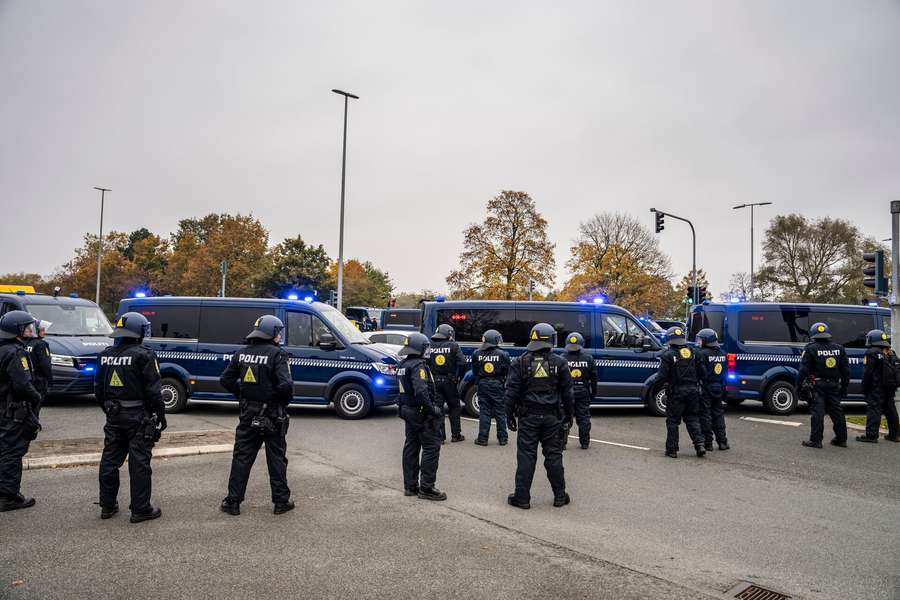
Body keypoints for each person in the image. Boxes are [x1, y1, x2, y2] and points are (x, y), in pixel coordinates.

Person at [220, 315, 295, 516]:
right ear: (271, 333)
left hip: (247, 414)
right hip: (272, 415)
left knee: (242, 457)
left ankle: (233, 502)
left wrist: (242, 395)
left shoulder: (242, 353)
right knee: (276, 458)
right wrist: (278, 401)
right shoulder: (278, 355)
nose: (280, 336)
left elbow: (225, 379)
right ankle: (281, 502)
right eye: (278, 332)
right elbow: (286, 385)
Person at [96, 312, 166, 523]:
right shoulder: (145, 355)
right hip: (138, 417)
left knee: (109, 460)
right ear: (140, 332)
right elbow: (154, 391)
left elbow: (98, 389)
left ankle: (107, 506)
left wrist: (109, 410)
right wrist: (160, 415)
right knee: (139, 464)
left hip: (114, 416)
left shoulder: (105, 354)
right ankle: (140, 509)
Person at [505, 323, 574, 509]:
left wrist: (508, 415)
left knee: (526, 456)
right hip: (552, 418)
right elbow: (568, 393)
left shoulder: (520, 362)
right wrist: (569, 416)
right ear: (551, 339)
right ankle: (560, 496)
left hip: (528, 417)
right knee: (553, 455)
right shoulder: (560, 363)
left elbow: (511, 392)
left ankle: (522, 498)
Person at [0, 311, 42, 512]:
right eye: (27, 327)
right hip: (12, 411)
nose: (29, 330)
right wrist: (37, 398)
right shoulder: (16, 353)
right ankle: (9, 496)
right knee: (12, 452)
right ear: (17, 329)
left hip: (3, 408)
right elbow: (23, 385)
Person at [397, 332, 446, 500]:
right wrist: (433, 410)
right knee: (431, 448)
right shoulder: (419, 365)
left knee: (411, 447)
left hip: (408, 411)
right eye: (426, 347)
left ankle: (410, 486)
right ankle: (427, 488)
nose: (429, 350)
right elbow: (421, 390)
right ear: (419, 349)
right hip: (421, 413)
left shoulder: (403, 364)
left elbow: (402, 391)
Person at [797, 322, 849, 449]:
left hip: (818, 385)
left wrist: (798, 386)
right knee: (837, 412)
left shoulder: (810, 348)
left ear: (813, 335)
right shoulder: (839, 348)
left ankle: (816, 440)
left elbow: (803, 370)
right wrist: (844, 387)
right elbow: (846, 370)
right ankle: (841, 439)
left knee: (818, 413)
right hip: (834, 384)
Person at [657, 326, 706, 458]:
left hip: (676, 392)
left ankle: (672, 450)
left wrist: (655, 390)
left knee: (673, 421)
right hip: (692, 391)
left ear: (670, 339)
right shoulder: (694, 352)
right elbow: (703, 373)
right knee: (692, 418)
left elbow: (661, 377)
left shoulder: (668, 355)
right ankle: (700, 444)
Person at [856, 330, 899, 444]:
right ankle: (895, 435)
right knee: (890, 410)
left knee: (874, 409)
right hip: (890, 387)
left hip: (876, 387)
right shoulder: (890, 352)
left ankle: (871, 435)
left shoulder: (872, 352)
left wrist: (864, 387)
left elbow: (868, 372)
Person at [428, 324, 467, 443]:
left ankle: (440, 437)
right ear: (448, 334)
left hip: (435, 381)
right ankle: (456, 435)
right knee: (454, 407)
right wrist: (458, 376)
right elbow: (463, 363)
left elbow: (424, 363)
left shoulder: (430, 346)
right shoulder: (453, 345)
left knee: (438, 408)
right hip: (450, 381)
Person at [472, 329, 510, 446]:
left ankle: (482, 439)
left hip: (483, 384)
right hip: (497, 384)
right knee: (500, 412)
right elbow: (507, 371)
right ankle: (503, 439)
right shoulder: (503, 354)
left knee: (484, 412)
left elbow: (475, 371)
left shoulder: (476, 353)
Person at [695, 328, 729, 451]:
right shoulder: (722, 353)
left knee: (705, 415)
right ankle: (722, 442)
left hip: (705, 387)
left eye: (700, 339)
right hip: (718, 386)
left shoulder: (701, 354)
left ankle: (708, 443)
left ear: (707, 341)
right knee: (718, 415)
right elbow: (725, 372)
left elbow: (699, 372)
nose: (699, 342)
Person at [563, 332, 596, 450]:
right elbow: (594, 379)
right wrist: (593, 394)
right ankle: (585, 443)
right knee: (583, 418)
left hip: (567, 393)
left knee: (565, 416)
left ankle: (562, 443)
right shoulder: (589, 358)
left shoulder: (562, 358)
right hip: (583, 392)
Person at [26, 321, 53, 411]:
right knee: (37, 404)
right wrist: (50, 378)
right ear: (36, 331)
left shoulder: (25, 343)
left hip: (28, 378)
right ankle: (33, 423)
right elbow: (45, 364)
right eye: (42, 330)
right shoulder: (41, 344)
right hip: (39, 380)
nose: (44, 332)